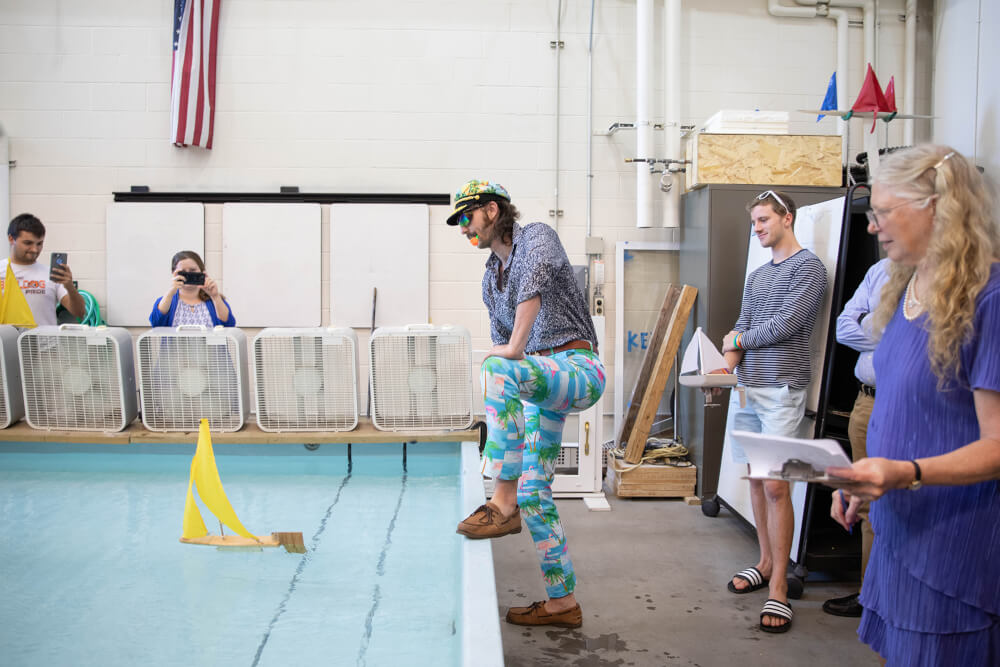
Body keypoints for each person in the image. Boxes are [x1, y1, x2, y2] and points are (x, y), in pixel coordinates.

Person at [829, 145, 1000, 665]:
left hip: (954, 540)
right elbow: (905, 406)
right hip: (901, 528)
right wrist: (867, 482)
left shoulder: (987, 300)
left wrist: (904, 471)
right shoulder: (905, 288)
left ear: (936, 207)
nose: (872, 226)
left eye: (882, 212)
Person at [448, 179, 605, 629]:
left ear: (492, 211)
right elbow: (503, 340)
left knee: (497, 369)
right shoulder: (489, 280)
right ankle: (563, 602)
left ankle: (501, 499)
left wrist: (515, 350)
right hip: (542, 382)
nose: (463, 229)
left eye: (466, 217)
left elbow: (530, 288)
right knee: (537, 493)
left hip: (576, 368)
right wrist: (513, 352)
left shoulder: (536, 235)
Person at [720, 190, 828, 633]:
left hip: (782, 391)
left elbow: (790, 324)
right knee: (757, 480)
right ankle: (764, 562)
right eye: (754, 223)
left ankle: (780, 587)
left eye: (764, 220)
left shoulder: (810, 269)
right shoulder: (759, 275)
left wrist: (738, 342)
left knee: (779, 487)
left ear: (787, 217)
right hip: (748, 388)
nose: (758, 229)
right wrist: (721, 370)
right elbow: (744, 322)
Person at [822, 256, 890, 619]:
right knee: (863, 503)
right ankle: (869, 595)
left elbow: (908, 336)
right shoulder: (878, 270)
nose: (873, 226)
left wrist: (872, 324)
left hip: (898, 401)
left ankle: (888, 599)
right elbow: (843, 328)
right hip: (864, 401)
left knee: (892, 504)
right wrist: (883, 327)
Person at [2, 213, 86, 325]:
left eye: (39, 243)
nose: (35, 250)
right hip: (7, 341)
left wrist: (70, 287)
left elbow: (79, 312)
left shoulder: (51, 274)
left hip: (45, 342)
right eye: (28, 243)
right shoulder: (2, 270)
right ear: (11, 239)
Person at [149, 251, 235, 327]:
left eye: (192, 270)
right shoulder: (167, 300)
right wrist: (170, 292)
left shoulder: (213, 300)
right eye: (183, 271)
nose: (188, 274)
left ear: (202, 272)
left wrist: (215, 296)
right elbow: (156, 324)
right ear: (174, 273)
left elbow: (229, 325)